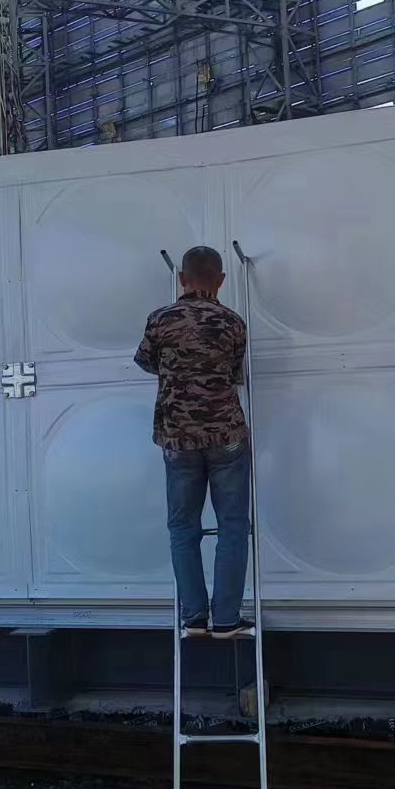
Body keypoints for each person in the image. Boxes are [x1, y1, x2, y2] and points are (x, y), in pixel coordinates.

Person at [134, 245, 253, 638]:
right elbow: (235, 373)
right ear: (222, 280)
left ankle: (194, 618)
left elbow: (146, 361)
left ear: (182, 278)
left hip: (178, 438)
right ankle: (227, 619)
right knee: (232, 526)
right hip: (226, 436)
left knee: (183, 527)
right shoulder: (233, 322)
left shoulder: (159, 320)